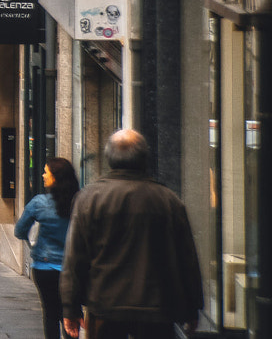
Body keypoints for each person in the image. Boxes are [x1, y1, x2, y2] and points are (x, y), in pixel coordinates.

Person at [61, 131, 203, 339]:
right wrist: (192, 306)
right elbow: (187, 258)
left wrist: (70, 307)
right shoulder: (167, 200)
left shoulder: (89, 199)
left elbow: (74, 258)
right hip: (156, 307)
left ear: (109, 158)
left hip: (104, 305)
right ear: (144, 157)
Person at [17, 157, 80, 339]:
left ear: (56, 177)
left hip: (45, 266)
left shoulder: (39, 202)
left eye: (47, 172)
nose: (43, 175)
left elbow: (20, 230)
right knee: (70, 312)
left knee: (50, 314)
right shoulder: (80, 201)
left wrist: (33, 244)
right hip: (73, 268)